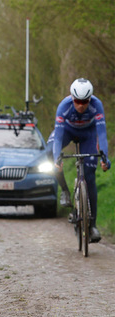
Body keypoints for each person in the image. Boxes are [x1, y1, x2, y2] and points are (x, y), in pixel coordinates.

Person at [52, 78, 111, 243]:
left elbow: (102, 134)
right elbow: (58, 138)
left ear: (90, 99)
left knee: (90, 176)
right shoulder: (64, 107)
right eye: (77, 101)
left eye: (84, 101)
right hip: (68, 131)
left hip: (88, 134)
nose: (81, 105)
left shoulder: (96, 105)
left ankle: (92, 226)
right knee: (51, 154)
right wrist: (58, 158)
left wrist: (104, 158)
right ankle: (64, 190)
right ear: (72, 98)